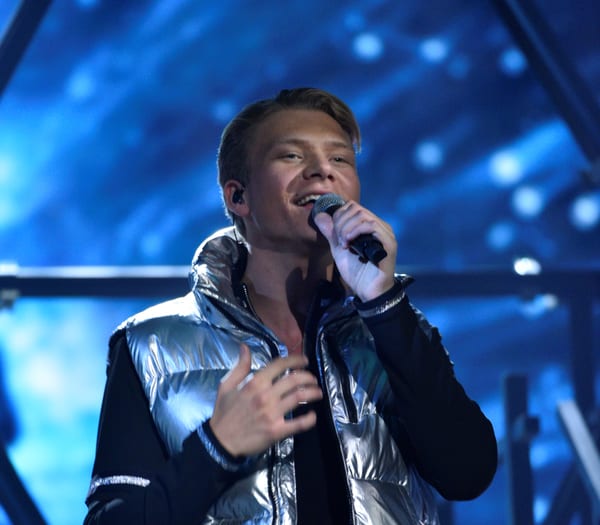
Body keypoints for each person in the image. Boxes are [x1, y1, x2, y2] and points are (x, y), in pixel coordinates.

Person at [84, 87, 497, 525]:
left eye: (340, 159)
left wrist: (383, 303)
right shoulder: (150, 344)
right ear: (238, 197)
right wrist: (216, 449)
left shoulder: (394, 328)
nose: (322, 170)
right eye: (292, 156)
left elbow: (467, 475)